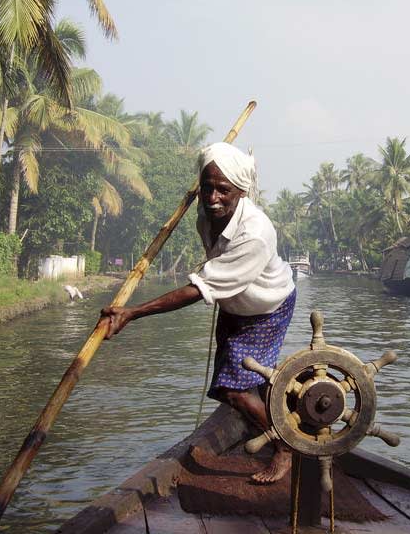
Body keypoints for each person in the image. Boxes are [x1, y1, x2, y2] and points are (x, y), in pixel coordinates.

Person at [101, 142, 296, 483]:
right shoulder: (206, 216)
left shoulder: (256, 234)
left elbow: (198, 289)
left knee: (231, 389)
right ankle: (267, 414)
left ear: (241, 191)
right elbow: (214, 273)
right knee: (237, 380)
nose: (213, 198)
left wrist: (131, 313)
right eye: (207, 188)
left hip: (266, 307)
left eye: (224, 190)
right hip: (234, 303)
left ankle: (284, 447)